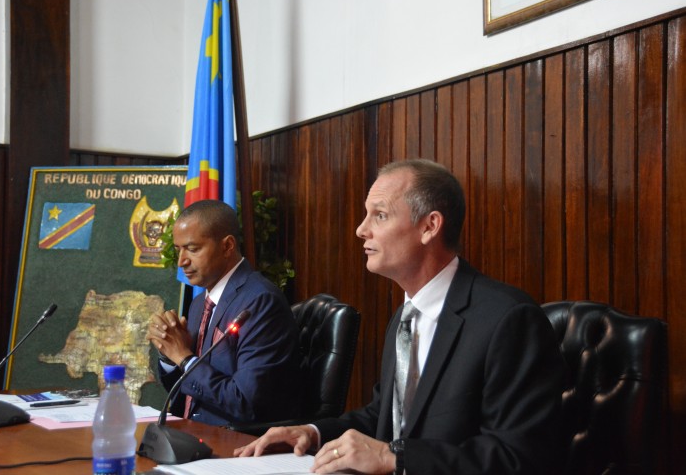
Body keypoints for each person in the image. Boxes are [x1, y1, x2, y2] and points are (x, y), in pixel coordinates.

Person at [235, 159, 564, 474]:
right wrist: (311, 432)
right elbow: (386, 419)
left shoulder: (507, 319)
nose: (361, 230)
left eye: (379, 215)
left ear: (429, 226)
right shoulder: (405, 317)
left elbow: (519, 456)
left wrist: (398, 459)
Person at [146, 199, 301, 426]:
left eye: (193, 249)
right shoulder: (200, 304)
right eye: (178, 250)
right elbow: (188, 394)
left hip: (236, 444)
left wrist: (184, 357)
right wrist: (169, 352)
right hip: (192, 434)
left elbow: (246, 403)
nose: (182, 262)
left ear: (227, 246)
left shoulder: (260, 302)